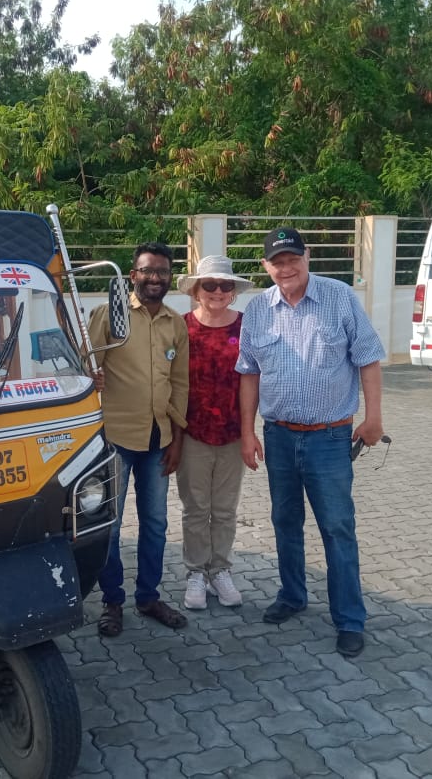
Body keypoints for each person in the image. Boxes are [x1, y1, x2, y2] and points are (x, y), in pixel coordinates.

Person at [236, 227, 385, 658]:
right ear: (266, 267)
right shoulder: (258, 310)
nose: (286, 268)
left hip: (330, 437)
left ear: (307, 257)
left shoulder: (339, 298)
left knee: (337, 528)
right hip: (278, 435)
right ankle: (293, 595)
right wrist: (247, 432)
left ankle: (350, 619)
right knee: (285, 522)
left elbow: (369, 359)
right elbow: (248, 373)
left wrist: (373, 417)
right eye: (276, 261)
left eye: (292, 259)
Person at [88, 242, 190, 638]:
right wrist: (90, 377)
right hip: (114, 438)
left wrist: (177, 438)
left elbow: (180, 383)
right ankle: (112, 601)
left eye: (162, 272)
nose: (155, 278)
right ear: (133, 275)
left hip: (159, 440)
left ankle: (148, 596)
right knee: (109, 527)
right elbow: (85, 361)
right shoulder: (110, 315)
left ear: (169, 278)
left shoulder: (174, 323)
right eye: (148, 271)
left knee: (156, 523)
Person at [173, 255, 252, 610]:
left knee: (224, 509)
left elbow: (254, 379)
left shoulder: (246, 327)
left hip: (234, 432)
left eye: (225, 285)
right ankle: (195, 573)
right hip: (192, 432)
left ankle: (219, 569)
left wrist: (250, 432)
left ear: (233, 291)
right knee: (195, 508)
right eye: (210, 285)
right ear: (196, 290)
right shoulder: (181, 328)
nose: (218, 291)